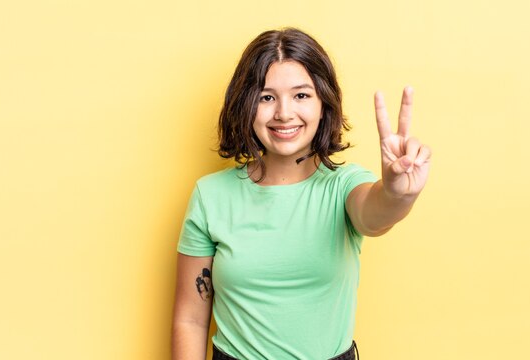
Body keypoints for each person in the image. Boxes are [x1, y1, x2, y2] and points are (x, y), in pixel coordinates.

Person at [172, 28, 431, 360]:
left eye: (301, 95)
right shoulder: (210, 196)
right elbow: (190, 320)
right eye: (267, 97)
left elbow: (374, 212)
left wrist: (398, 194)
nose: (283, 113)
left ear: (323, 103)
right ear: (245, 105)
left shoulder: (344, 186)